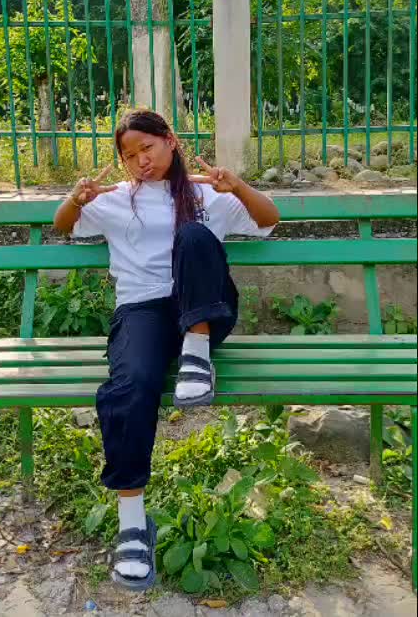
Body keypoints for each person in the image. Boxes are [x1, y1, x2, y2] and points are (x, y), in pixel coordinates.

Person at [54, 108, 280, 591]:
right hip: (142, 312)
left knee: (194, 233)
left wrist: (237, 186)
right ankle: (133, 525)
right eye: (129, 155)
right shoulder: (117, 199)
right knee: (130, 385)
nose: (141, 161)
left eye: (148, 148)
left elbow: (269, 219)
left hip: (204, 310)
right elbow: (63, 227)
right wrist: (76, 199)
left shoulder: (207, 193)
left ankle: (197, 352)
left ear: (170, 142)